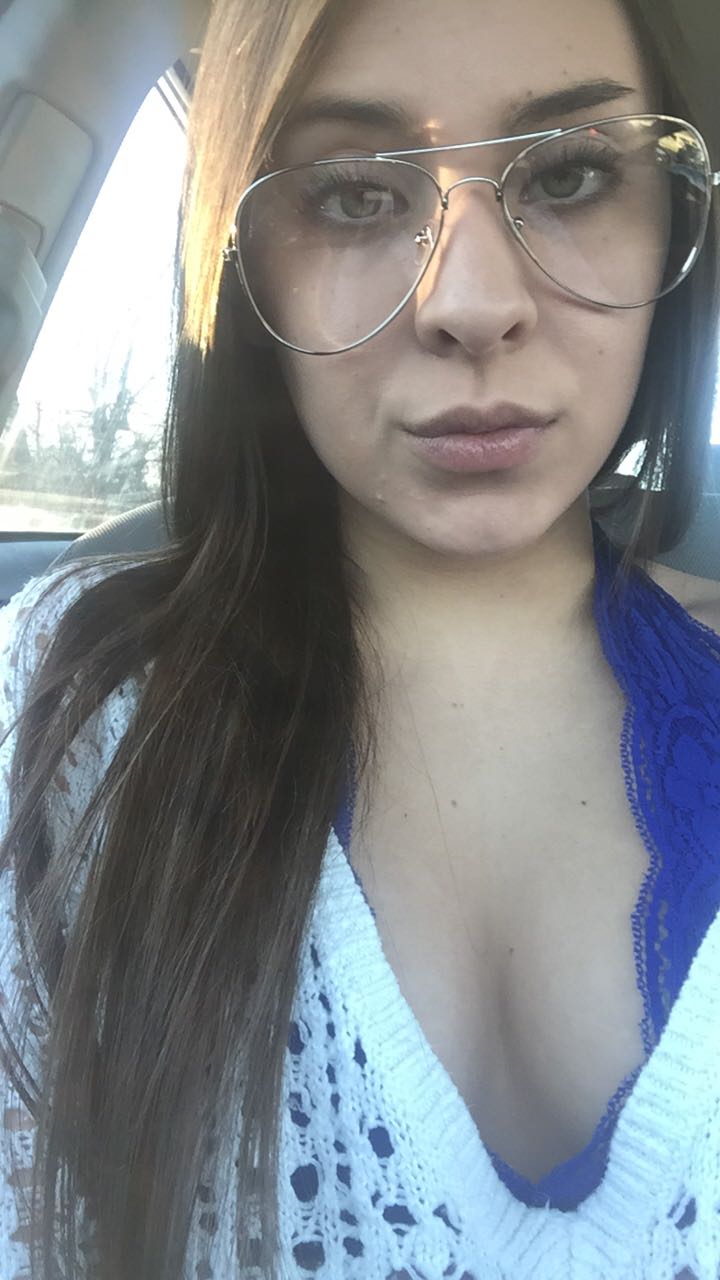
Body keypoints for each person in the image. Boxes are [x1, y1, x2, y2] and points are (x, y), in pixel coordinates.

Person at [1, 0, 719, 1275]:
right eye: (350, 195)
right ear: (241, 265)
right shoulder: (64, 715)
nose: (472, 304)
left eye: (568, 175)